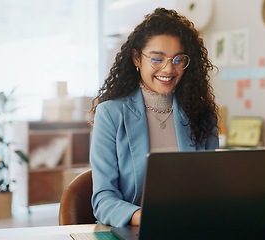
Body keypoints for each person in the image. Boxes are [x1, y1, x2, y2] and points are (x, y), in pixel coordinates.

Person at [89, 7, 219, 227]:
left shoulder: (201, 114)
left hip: (190, 227)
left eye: (178, 59)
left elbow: (211, 188)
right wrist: (147, 217)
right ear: (137, 58)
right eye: (157, 59)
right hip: (136, 229)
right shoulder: (111, 114)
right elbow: (103, 200)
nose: (169, 69)